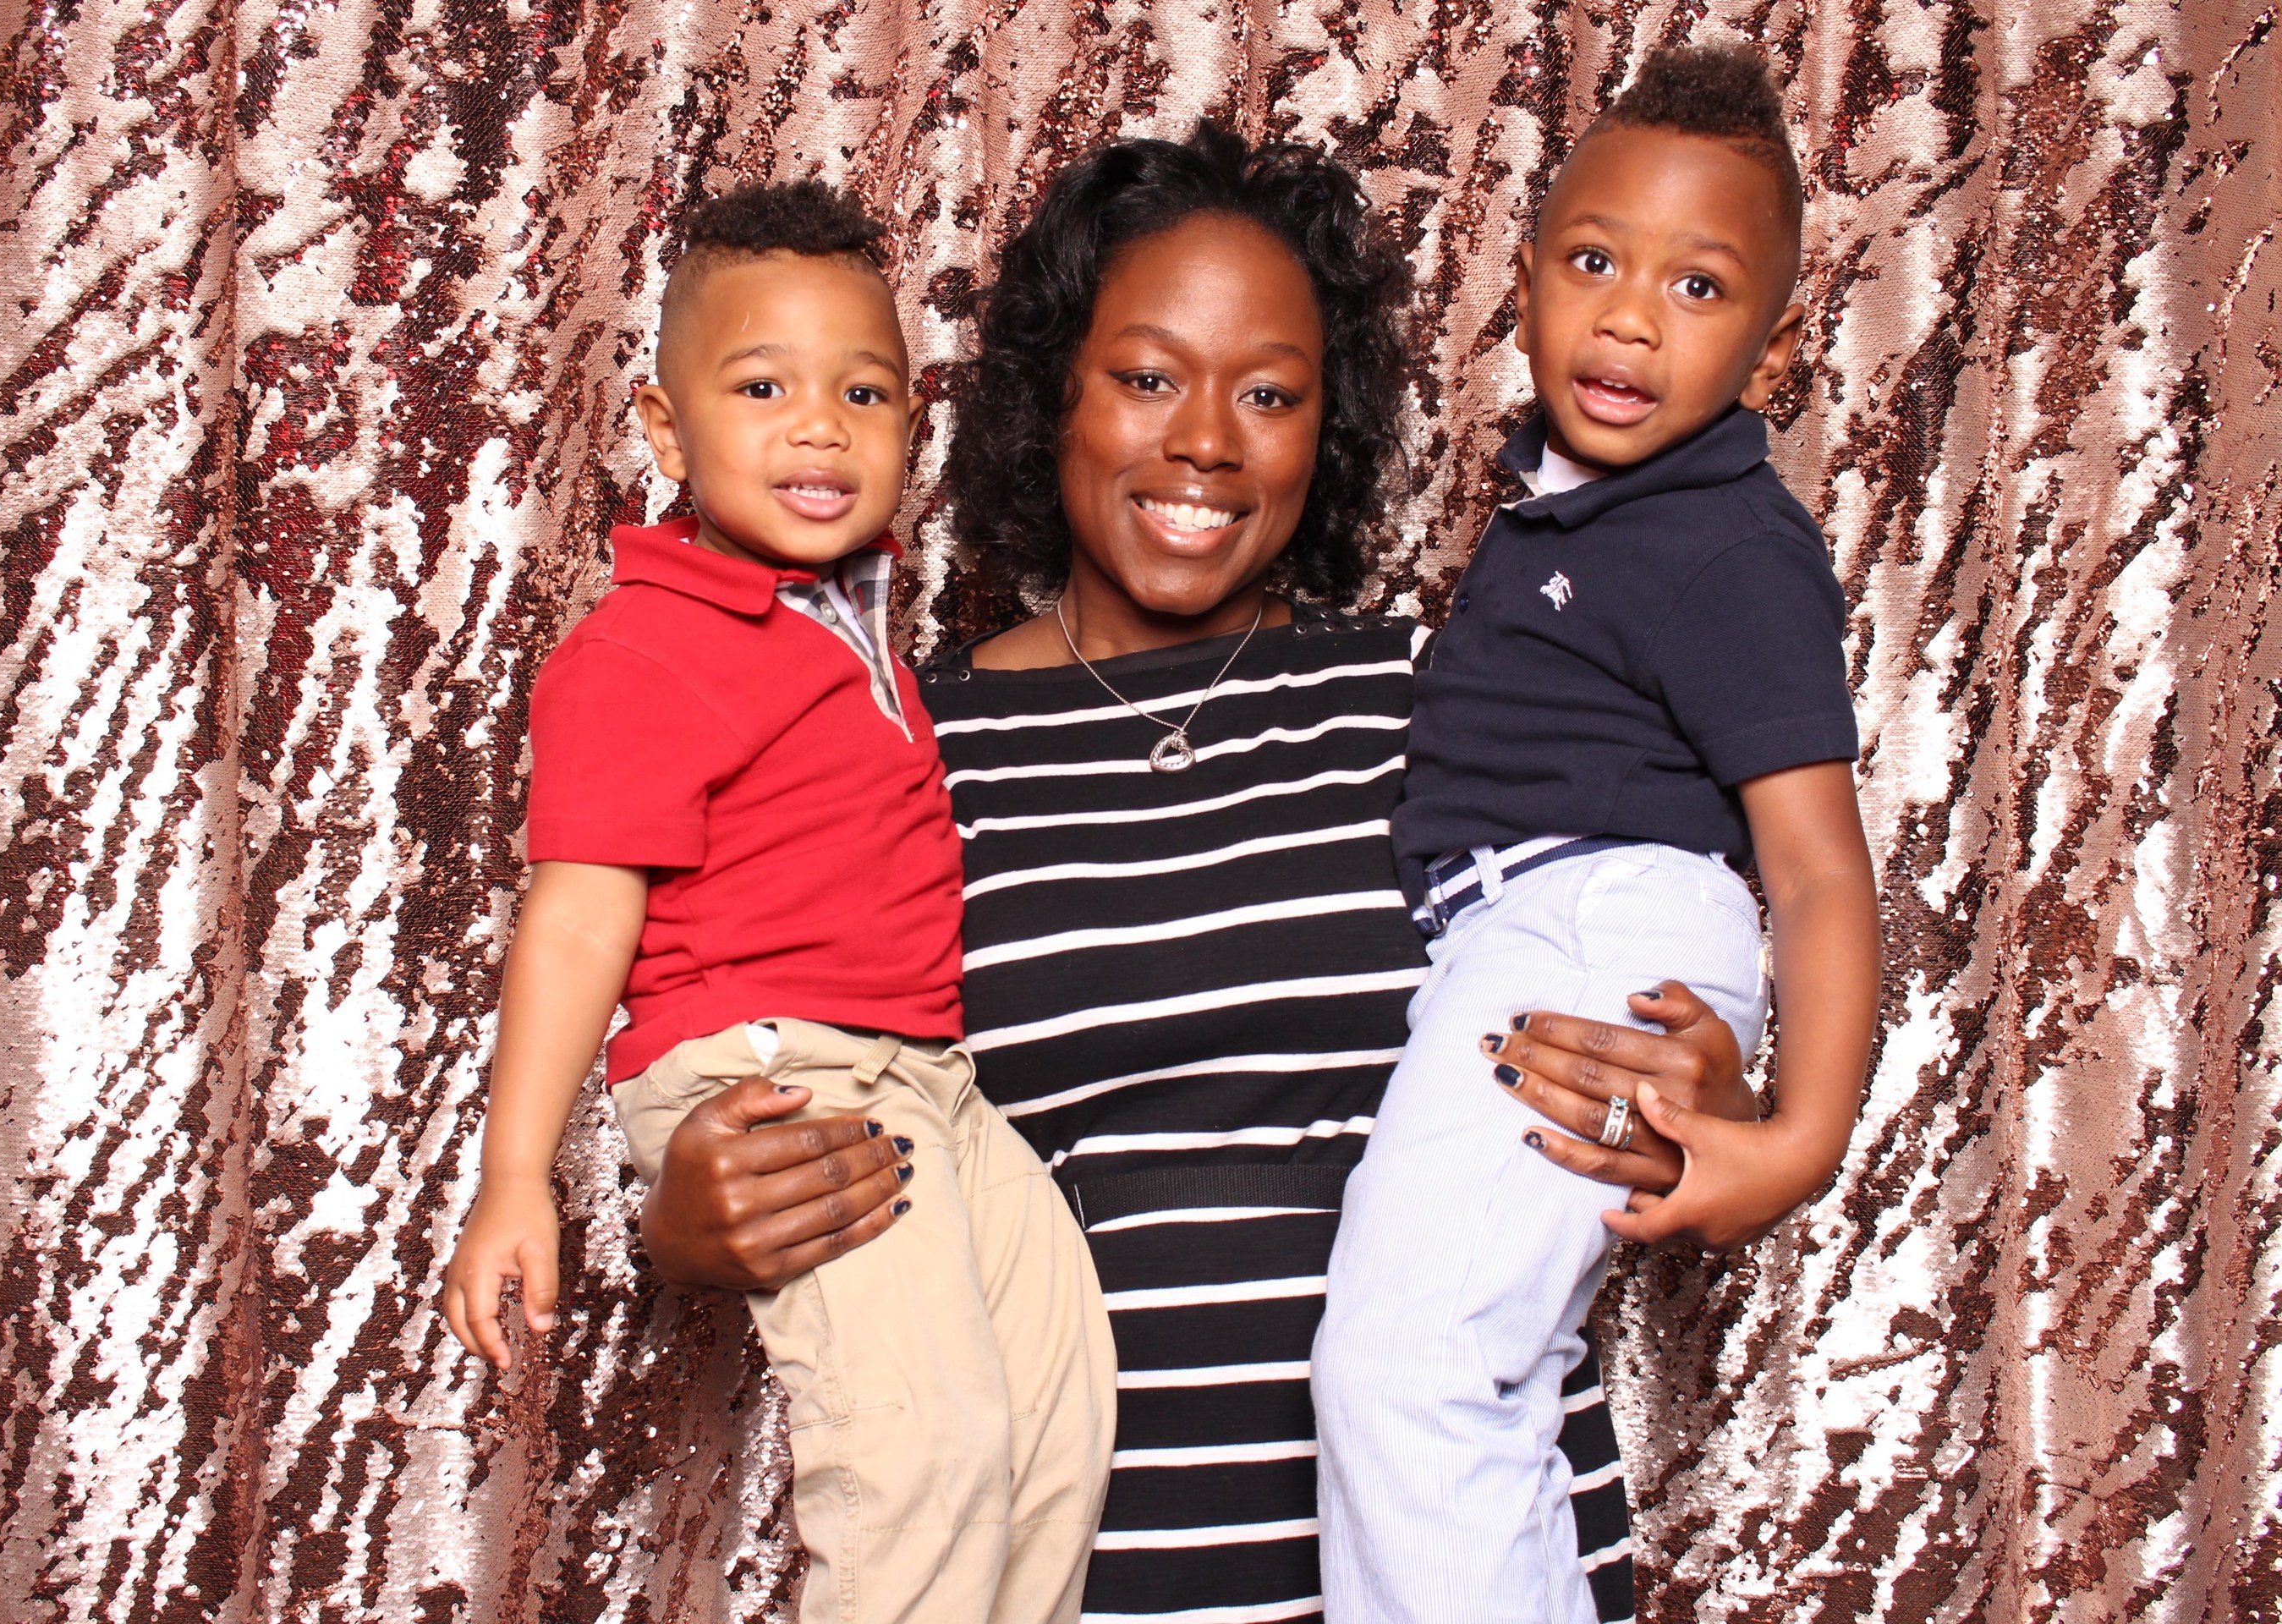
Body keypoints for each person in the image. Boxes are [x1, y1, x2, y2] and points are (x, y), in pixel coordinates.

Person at [640, 127, 1833, 1624]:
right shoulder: (894, 748)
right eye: (1147, 378)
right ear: (1054, 392)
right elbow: (762, 1051)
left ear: (1329, 430)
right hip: (1101, 1586)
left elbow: (1635, 942)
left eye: (1270, 394)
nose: (1207, 440)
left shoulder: (1447, 701)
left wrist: (1697, 1100)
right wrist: (685, 1223)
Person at [439, 183, 1115, 1624]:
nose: (819, 426)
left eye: (863, 393)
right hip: (778, 1071)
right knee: (923, 1455)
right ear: (664, 427)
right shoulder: (640, 649)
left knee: (1059, 1411)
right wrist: (515, 1174)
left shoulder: (849, 625)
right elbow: (578, 918)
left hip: (928, 1076)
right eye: (762, 389)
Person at [1311, 43, 1882, 1624]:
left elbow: (1818, 868)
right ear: (1525, 279)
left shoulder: (1729, 547)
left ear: (1777, 339)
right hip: (1520, 931)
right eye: (1592, 262)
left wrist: (1802, 1140)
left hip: (1597, 932)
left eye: (1698, 288)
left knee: (1416, 1374)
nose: (1630, 317)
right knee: (1450, 1380)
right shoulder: (1573, 505)